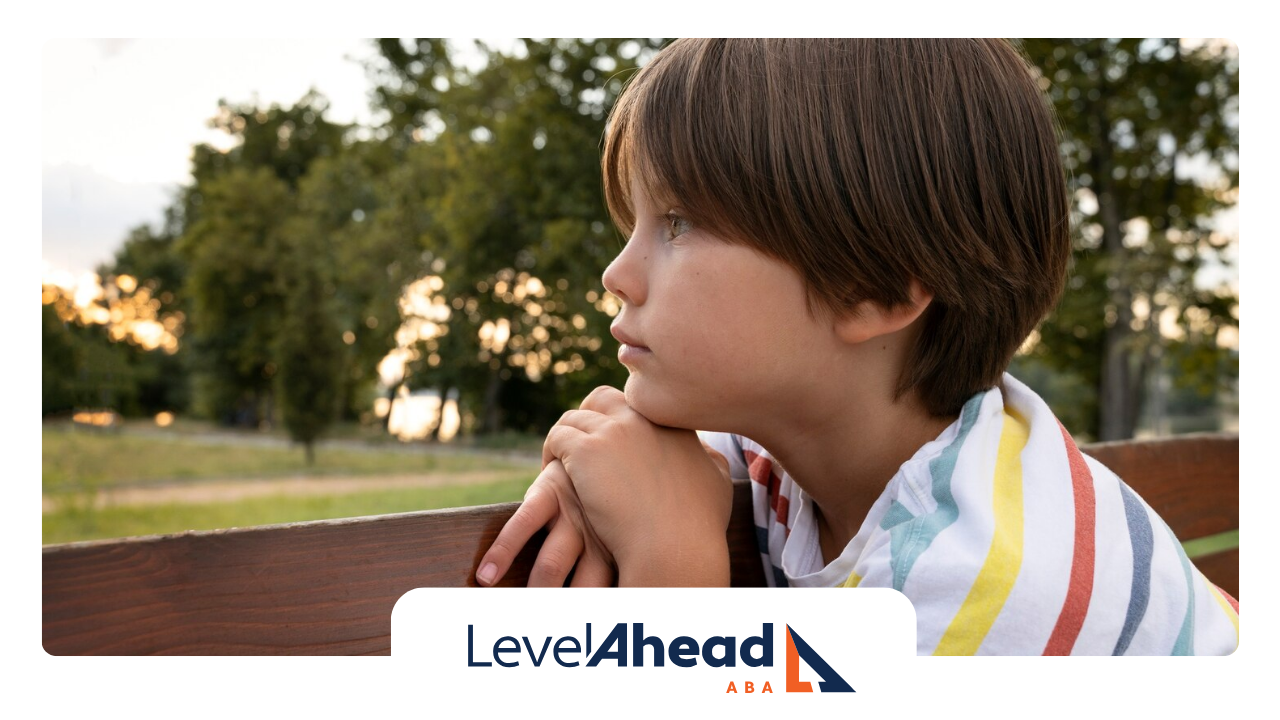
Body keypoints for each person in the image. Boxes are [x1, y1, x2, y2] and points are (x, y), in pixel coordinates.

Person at [473, 38, 1239, 655]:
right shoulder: (799, 447)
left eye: (677, 222)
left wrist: (676, 575)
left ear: (873, 290)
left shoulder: (985, 593)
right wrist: (618, 453)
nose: (617, 273)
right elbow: (673, 465)